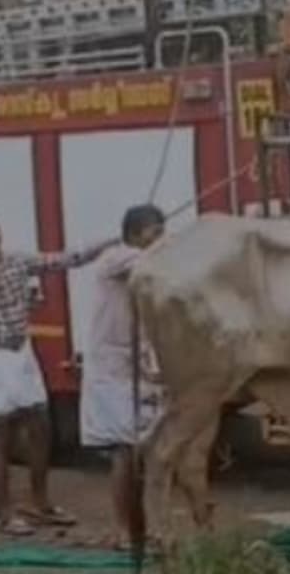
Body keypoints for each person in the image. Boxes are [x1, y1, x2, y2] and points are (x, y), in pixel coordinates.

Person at [0, 207, 116, 536]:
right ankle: (5, 511)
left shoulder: (18, 262)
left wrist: (107, 242)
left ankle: (41, 502)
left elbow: (66, 260)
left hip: (20, 350)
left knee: (40, 426)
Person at [80, 204, 166, 551]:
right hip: (111, 371)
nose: (160, 240)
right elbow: (152, 261)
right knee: (124, 452)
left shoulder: (146, 265)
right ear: (133, 236)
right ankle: (123, 530)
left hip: (137, 366)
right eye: (154, 233)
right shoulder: (117, 259)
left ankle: (148, 527)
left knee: (149, 451)